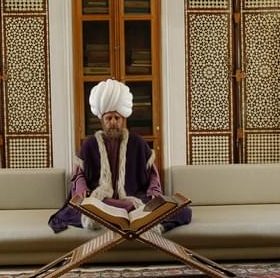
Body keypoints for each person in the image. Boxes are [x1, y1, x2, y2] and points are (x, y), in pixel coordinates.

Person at [49, 79, 192, 233]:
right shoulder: (89, 144)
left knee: (184, 211)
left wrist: (153, 192)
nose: (113, 122)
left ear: (123, 119)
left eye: (117, 118)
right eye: (109, 118)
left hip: (133, 199)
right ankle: (133, 218)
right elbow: (79, 175)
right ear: (102, 121)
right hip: (102, 202)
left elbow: (152, 175)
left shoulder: (137, 142)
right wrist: (81, 189)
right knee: (83, 210)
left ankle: (133, 217)